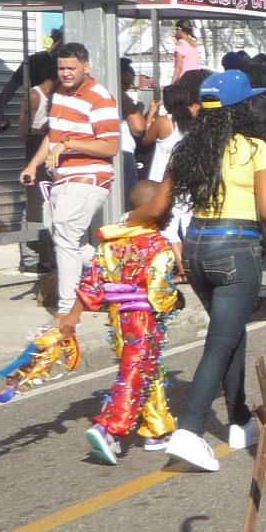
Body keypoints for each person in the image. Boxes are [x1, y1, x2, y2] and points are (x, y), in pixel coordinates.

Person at [158, 70, 266, 475]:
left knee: (230, 334)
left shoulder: (188, 147)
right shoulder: (254, 148)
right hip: (235, 248)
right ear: (243, 107)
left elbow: (164, 203)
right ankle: (190, 430)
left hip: (195, 247)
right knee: (220, 340)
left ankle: (239, 418)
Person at [55, 180, 183, 465]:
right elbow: (159, 294)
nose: (171, 214)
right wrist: (174, 299)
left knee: (145, 368)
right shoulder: (157, 244)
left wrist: (73, 316)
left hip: (117, 320)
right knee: (135, 372)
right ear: (156, 212)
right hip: (143, 318)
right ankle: (110, 428)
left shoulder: (110, 241)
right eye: (168, 209)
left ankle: (157, 429)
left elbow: (92, 283)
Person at [19, 42, 121, 318]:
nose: (65, 73)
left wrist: (68, 144)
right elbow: (53, 138)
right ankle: (114, 269)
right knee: (64, 238)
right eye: (61, 68)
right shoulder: (60, 94)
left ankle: (66, 307)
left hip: (90, 177)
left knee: (65, 238)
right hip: (61, 178)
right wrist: (33, 165)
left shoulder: (100, 98)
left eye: (71, 68)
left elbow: (110, 147)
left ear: (86, 67)